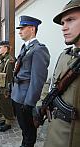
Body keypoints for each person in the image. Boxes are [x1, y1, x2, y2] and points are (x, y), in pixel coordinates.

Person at [44, 1, 80, 147]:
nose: (64, 27)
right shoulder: (64, 55)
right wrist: (41, 104)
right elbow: (51, 83)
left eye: (70, 20)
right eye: (62, 23)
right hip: (54, 134)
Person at [11, 15, 50, 147]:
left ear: (32, 29)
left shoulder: (39, 49)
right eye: (19, 28)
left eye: (23, 28)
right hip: (17, 95)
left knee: (29, 132)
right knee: (24, 129)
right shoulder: (25, 47)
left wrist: (29, 103)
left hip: (26, 99)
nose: (19, 31)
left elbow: (37, 80)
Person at [0, 41, 15, 132]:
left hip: (5, 87)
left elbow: (10, 77)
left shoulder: (9, 60)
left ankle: (8, 122)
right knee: (2, 104)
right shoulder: (4, 58)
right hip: (1, 85)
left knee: (7, 105)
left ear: (6, 48)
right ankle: (5, 118)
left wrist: (8, 90)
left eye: (1, 47)